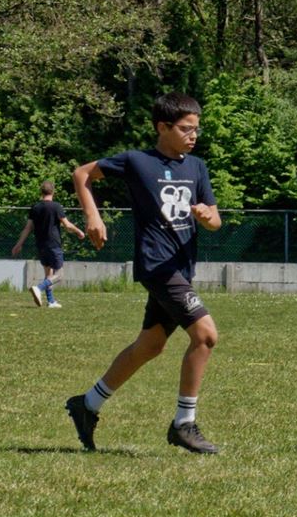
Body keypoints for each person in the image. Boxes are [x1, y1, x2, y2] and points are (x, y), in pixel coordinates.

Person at [64, 92, 224, 455]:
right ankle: (184, 423)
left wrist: (206, 217)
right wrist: (92, 216)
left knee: (150, 345)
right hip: (157, 265)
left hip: (181, 268)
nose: (193, 136)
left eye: (196, 129)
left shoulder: (197, 167)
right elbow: (82, 173)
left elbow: (215, 220)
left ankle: (87, 405)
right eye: (185, 129)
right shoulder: (137, 162)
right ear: (162, 127)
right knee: (206, 336)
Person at [10, 180, 86, 308]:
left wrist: (19, 244)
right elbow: (67, 225)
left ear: (41, 192)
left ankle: (51, 301)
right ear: (53, 191)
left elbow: (28, 228)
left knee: (48, 274)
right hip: (53, 244)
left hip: (40, 244)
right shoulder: (56, 206)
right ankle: (38, 288)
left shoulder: (35, 207)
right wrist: (79, 231)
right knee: (59, 274)